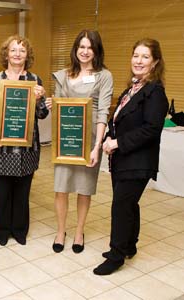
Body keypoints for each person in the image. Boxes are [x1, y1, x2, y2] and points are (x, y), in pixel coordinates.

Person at [94, 38, 169, 275]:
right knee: (129, 204)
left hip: (138, 162)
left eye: (145, 56)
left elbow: (151, 129)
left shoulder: (155, 92)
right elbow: (119, 120)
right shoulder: (131, 89)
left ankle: (116, 256)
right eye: (136, 55)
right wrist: (108, 134)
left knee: (121, 206)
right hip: (122, 160)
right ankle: (129, 246)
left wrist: (118, 142)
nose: (139, 60)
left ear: (155, 62)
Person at [45, 29, 113, 254]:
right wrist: (51, 104)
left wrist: (97, 146)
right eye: (81, 47)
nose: (85, 52)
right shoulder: (63, 75)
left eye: (89, 47)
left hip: (90, 139)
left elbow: (103, 112)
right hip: (66, 138)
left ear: (96, 50)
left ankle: (79, 232)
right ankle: (61, 230)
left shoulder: (104, 75)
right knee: (61, 187)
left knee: (84, 189)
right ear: (75, 49)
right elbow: (59, 107)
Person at [0, 35, 48, 246]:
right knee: (1, 192)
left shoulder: (34, 80)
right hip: (1, 148)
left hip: (26, 148)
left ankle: (20, 229)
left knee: (22, 192)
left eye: (22, 51)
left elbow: (41, 115)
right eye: (13, 50)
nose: (17, 54)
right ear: (6, 54)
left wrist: (41, 99)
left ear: (27, 55)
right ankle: (1, 230)